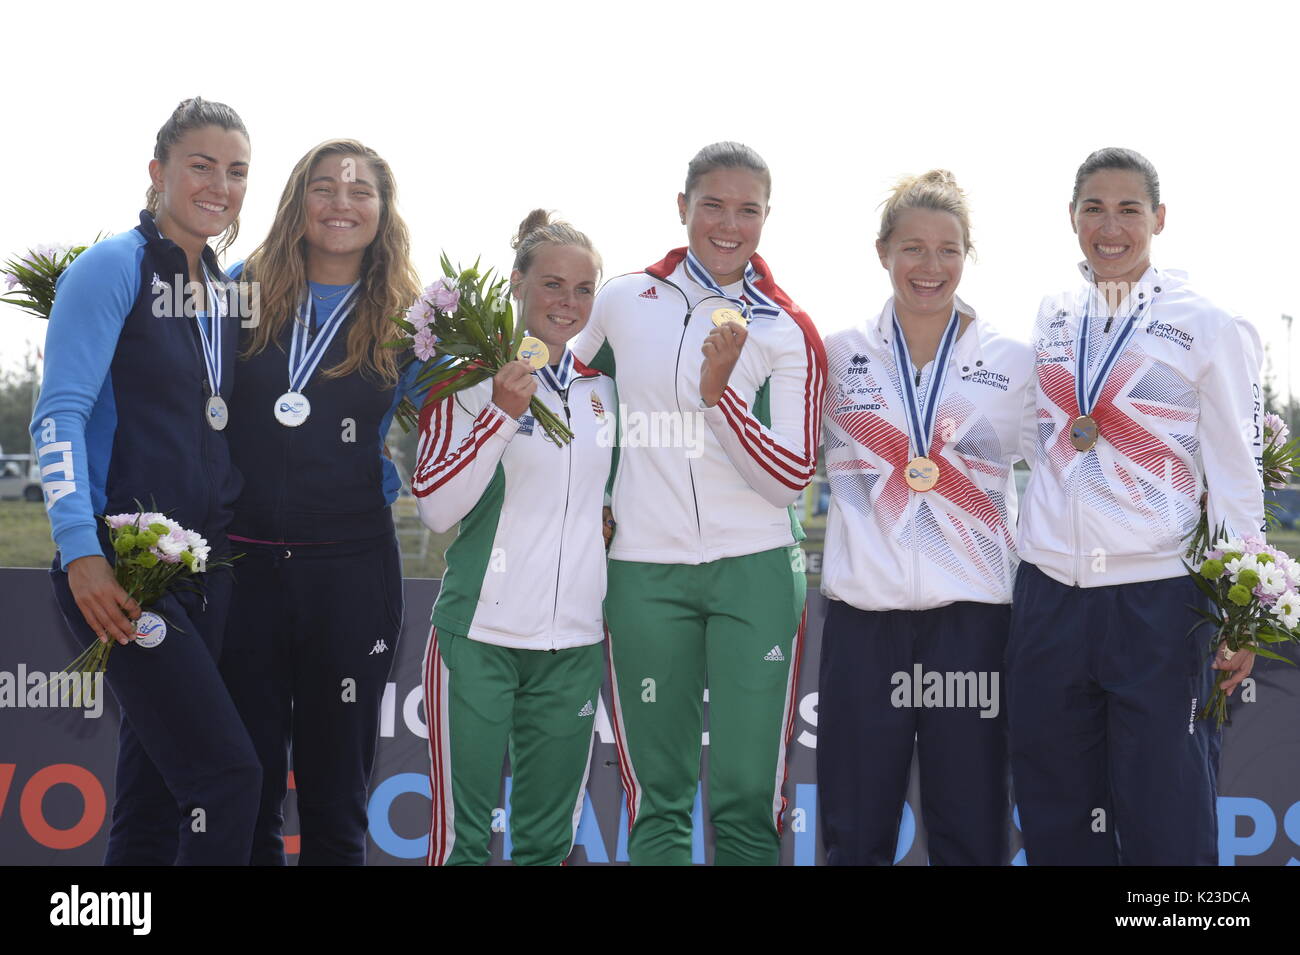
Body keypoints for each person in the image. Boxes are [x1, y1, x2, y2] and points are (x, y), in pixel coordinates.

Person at [570, 142, 826, 866]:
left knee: (747, 793)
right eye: (712, 204)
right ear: (682, 207)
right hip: (645, 568)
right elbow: (561, 385)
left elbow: (789, 478)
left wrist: (721, 403)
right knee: (658, 790)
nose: (728, 222)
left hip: (755, 568)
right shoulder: (622, 298)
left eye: (747, 209)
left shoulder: (788, 326)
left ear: (767, 218)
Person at [1008, 147, 1264, 865]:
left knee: (1167, 818)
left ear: (1159, 217)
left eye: (1128, 209)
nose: (1110, 226)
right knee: (1056, 814)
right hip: (1050, 595)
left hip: (1158, 600)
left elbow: (1237, 478)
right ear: (1072, 218)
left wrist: (1239, 616)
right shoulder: (1053, 313)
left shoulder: (1209, 323)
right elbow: (1039, 439)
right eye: (1094, 208)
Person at [31, 96, 261, 865]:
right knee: (228, 776)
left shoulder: (223, 294)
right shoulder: (111, 268)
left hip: (202, 571)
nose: (218, 185)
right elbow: (57, 416)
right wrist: (80, 549)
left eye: (235, 172)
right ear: (158, 171)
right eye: (200, 165)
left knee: (156, 792)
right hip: (119, 567)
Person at [818, 170, 1034, 865]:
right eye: (912, 248)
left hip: (971, 625)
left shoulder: (1014, 362)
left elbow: (1070, 470)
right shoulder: (835, 353)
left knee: (971, 827)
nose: (930, 267)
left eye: (948, 249)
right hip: (863, 624)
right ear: (882, 251)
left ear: (968, 255)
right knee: (855, 828)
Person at [218, 139, 423, 865]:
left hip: (351, 574)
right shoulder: (238, 293)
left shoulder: (411, 320)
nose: (342, 203)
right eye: (326, 188)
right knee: (247, 789)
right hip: (242, 570)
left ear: (382, 211)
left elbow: (461, 428)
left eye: (361, 190)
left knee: (337, 799)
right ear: (299, 202)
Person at [414, 210, 613, 866]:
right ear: (516, 283)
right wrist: (501, 413)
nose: (568, 302)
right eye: (552, 284)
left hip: (574, 644)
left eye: (583, 289)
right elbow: (438, 509)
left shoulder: (602, 391)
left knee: (546, 845)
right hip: (479, 639)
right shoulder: (465, 380)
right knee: (462, 842)